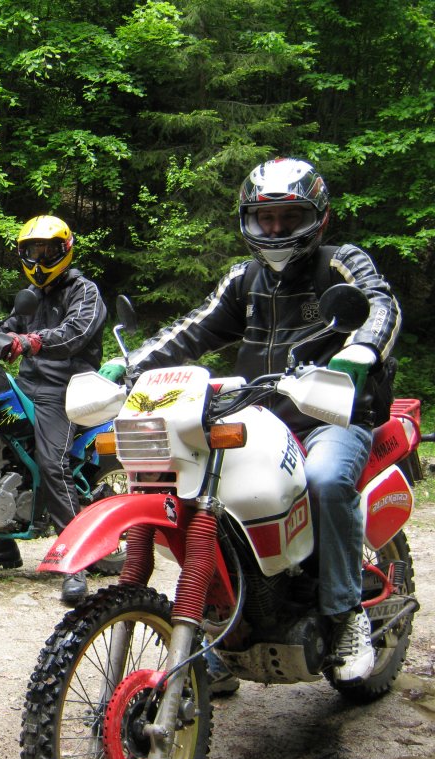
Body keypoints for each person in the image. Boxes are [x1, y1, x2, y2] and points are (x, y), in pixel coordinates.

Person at [99, 157, 401, 689]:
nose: (277, 229)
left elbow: (381, 305)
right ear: (249, 221)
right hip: (260, 417)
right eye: (266, 218)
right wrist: (130, 364)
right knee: (210, 499)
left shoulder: (341, 263)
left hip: (331, 414)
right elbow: (194, 329)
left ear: (318, 217)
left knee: (326, 480)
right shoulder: (244, 278)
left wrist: (362, 349)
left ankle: (346, 614)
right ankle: (222, 628)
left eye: (289, 217)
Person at [0, 215, 108, 604]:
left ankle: (75, 560)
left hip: (67, 389)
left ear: (65, 250)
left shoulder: (85, 292)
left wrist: (32, 342)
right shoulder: (31, 296)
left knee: (51, 462)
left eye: (47, 251)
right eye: (32, 252)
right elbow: (3, 330)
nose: (39, 260)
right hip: (27, 385)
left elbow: (76, 333)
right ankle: (3, 545)